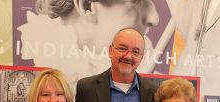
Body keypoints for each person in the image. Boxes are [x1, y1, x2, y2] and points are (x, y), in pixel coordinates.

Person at [17, 0, 160, 92]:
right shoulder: (35, 62)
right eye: (136, 1)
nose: (155, 18)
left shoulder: (144, 58)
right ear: (87, 6)